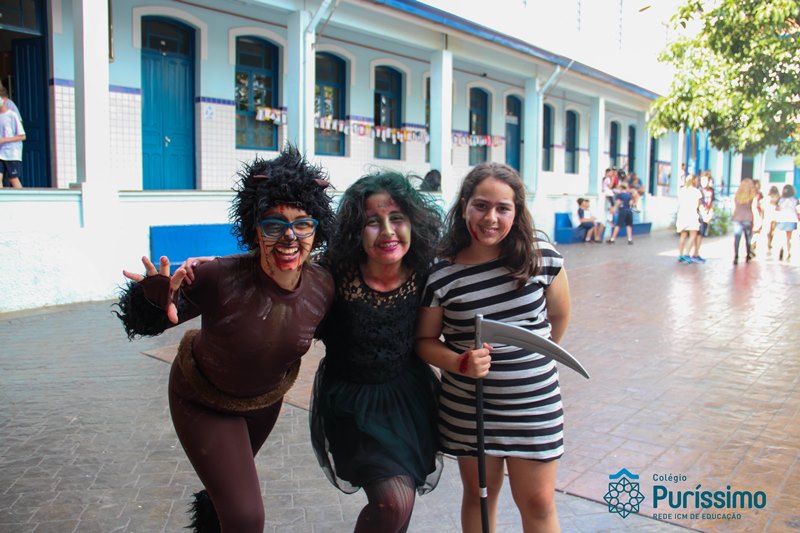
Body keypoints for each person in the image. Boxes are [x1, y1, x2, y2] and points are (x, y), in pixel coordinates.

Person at [114, 146, 336, 532]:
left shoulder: (323, 287)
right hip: (201, 400)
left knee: (226, 500)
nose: (289, 237)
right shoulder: (220, 276)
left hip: (263, 405)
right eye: (274, 224)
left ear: (316, 230)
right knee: (246, 516)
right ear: (254, 229)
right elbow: (152, 319)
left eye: (302, 224)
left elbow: (351, 332)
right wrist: (152, 298)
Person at [416, 162, 571, 533]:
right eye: (481, 206)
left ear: (516, 212)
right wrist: (460, 362)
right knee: (481, 496)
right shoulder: (441, 270)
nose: (491, 218)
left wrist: (533, 363)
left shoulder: (540, 256)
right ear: (464, 206)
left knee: (539, 501)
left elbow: (559, 316)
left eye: (503, 208)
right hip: (471, 409)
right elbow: (423, 341)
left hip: (535, 406)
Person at [310, 171, 444, 532]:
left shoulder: (424, 271)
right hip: (352, 405)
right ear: (356, 229)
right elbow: (284, 278)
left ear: (413, 223)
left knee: (401, 507)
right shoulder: (333, 273)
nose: (387, 231)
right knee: (392, 504)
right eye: (373, 221)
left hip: (407, 400)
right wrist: (217, 266)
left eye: (397, 218)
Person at [0, 92, 25, 189]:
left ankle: (22, 197)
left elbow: (22, 136)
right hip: (1, 153)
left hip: (12, 153)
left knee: (13, 178)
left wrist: (4, 140)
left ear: (4, 99)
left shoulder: (12, 115)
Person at [731, 177, 759, 265]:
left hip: (737, 218)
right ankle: (748, 255)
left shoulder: (737, 195)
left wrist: (733, 216)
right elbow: (754, 209)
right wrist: (757, 220)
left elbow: (733, 207)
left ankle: (736, 256)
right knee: (748, 238)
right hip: (748, 218)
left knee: (737, 238)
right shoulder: (752, 196)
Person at [675, 174, 701, 263]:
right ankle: (687, 253)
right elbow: (698, 205)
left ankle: (680, 254)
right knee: (693, 234)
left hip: (682, 214)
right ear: (694, 181)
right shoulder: (696, 191)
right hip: (692, 214)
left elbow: (678, 202)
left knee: (683, 235)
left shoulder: (681, 191)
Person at [692, 171, 715, 263]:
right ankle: (695, 254)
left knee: (701, 235)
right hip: (699, 215)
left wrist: (710, 213)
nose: (704, 182)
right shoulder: (699, 190)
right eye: (702, 180)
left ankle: (696, 253)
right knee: (698, 234)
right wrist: (704, 215)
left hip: (707, 214)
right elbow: (699, 204)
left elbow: (712, 202)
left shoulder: (711, 191)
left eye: (706, 180)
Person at [775, 184, 799, 261]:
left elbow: (777, 209)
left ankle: (781, 249)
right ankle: (788, 252)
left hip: (782, 219)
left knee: (782, 236)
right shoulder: (795, 200)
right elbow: (797, 210)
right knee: (789, 238)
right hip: (791, 219)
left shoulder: (780, 199)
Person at [764, 185, 781, 250]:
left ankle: (769, 242)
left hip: (769, 214)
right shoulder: (778, 197)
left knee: (769, 230)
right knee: (772, 230)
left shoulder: (768, 197)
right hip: (775, 214)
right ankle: (770, 242)